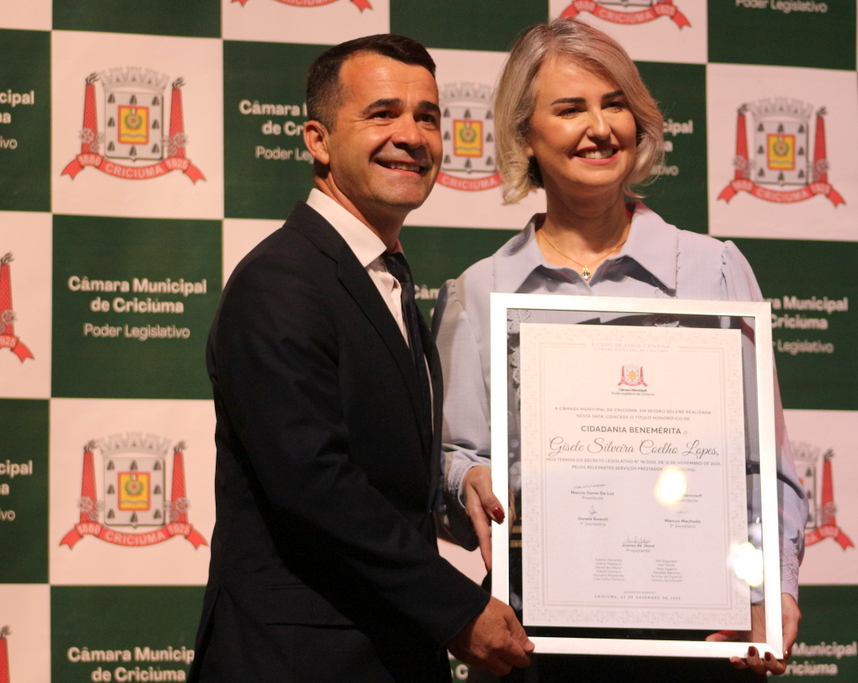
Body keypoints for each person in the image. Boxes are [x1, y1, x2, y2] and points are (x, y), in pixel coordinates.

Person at [433, 19, 808, 680]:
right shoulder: (482, 291)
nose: (600, 128)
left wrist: (771, 588)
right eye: (570, 108)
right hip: (539, 643)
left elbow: (763, 464)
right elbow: (454, 462)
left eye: (615, 105)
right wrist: (465, 479)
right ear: (525, 134)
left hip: (701, 632)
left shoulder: (714, 270)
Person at [189, 34, 533, 683]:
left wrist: (458, 484)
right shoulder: (281, 280)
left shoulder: (382, 277)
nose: (411, 136)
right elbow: (314, 486)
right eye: (382, 114)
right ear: (318, 140)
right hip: (299, 664)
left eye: (427, 117)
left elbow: (385, 469)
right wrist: (458, 610)